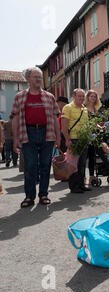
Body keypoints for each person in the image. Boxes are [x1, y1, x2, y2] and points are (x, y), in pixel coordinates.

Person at [11, 67, 61, 207]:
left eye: (40, 77)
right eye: (35, 77)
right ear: (28, 79)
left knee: (45, 166)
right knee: (30, 166)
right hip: (28, 133)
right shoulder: (19, 97)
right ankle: (29, 196)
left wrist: (58, 137)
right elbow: (14, 118)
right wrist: (15, 139)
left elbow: (55, 117)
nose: (38, 79)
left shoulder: (49, 96)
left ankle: (43, 194)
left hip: (47, 132)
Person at [61, 88, 90, 193]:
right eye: (79, 96)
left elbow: (86, 125)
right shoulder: (67, 107)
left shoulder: (84, 109)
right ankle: (74, 187)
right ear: (74, 96)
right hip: (73, 139)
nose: (82, 98)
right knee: (73, 165)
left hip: (83, 139)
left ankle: (81, 185)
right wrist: (67, 140)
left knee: (82, 163)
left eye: (83, 96)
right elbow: (64, 125)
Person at [84, 90, 102, 186]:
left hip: (94, 135)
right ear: (88, 97)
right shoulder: (84, 108)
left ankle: (91, 176)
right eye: (91, 96)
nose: (93, 98)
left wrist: (100, 127)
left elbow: (95, 123)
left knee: (92, 157)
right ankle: (83, 177)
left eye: (95, 97)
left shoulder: (95, 109)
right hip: (85, 135)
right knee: (84, 157)